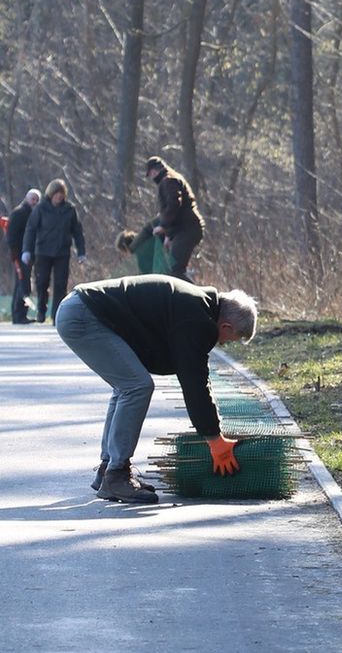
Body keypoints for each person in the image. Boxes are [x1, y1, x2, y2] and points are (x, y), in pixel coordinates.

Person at [55, 273, 259, 506]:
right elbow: (195, 383)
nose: (222, 344)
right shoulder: (196, 318)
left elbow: (188, 370)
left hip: (79, 308)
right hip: (83, 315)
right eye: (228, 339)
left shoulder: (196, 305)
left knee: (127, 386)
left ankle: (108, 469)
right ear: (226, 325)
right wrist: (215, 439)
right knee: (136, 386)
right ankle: (117, 474)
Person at [22, 178, 87, 323]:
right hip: (43, 251)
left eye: (62, 194)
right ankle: (41, 311)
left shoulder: (69, 210)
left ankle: (57, 314)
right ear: (51, 194)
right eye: (57, 194)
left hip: (62, 252)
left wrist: (81, 252)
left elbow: (77, 231)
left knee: (60, 284)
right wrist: (27, 250)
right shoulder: (40, 209)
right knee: (42, 282)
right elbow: (31, 229)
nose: (59, 197)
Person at [142, 156, 205, 279]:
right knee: (174, 269)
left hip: (187, 229)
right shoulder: (171, 178)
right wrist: (169, 235)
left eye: (151, 174)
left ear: (155, 171)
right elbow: (175, 212)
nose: (152, 177)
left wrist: (163, 226)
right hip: (185, 229)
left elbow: (174, 205)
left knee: (176, 270)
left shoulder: (168, 181)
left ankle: (194, 297)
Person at [8, 187, 40, 323]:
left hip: (29, 253)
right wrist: (15, 252)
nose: (34, 202)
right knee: (22, 283)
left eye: (37, 200)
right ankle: (19, 314)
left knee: (23, 283)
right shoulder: (19, 213)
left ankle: (20, 314)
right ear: (27, 198)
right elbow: (11, 235)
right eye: (32, 199)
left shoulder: (35, 214)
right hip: (20, 253)